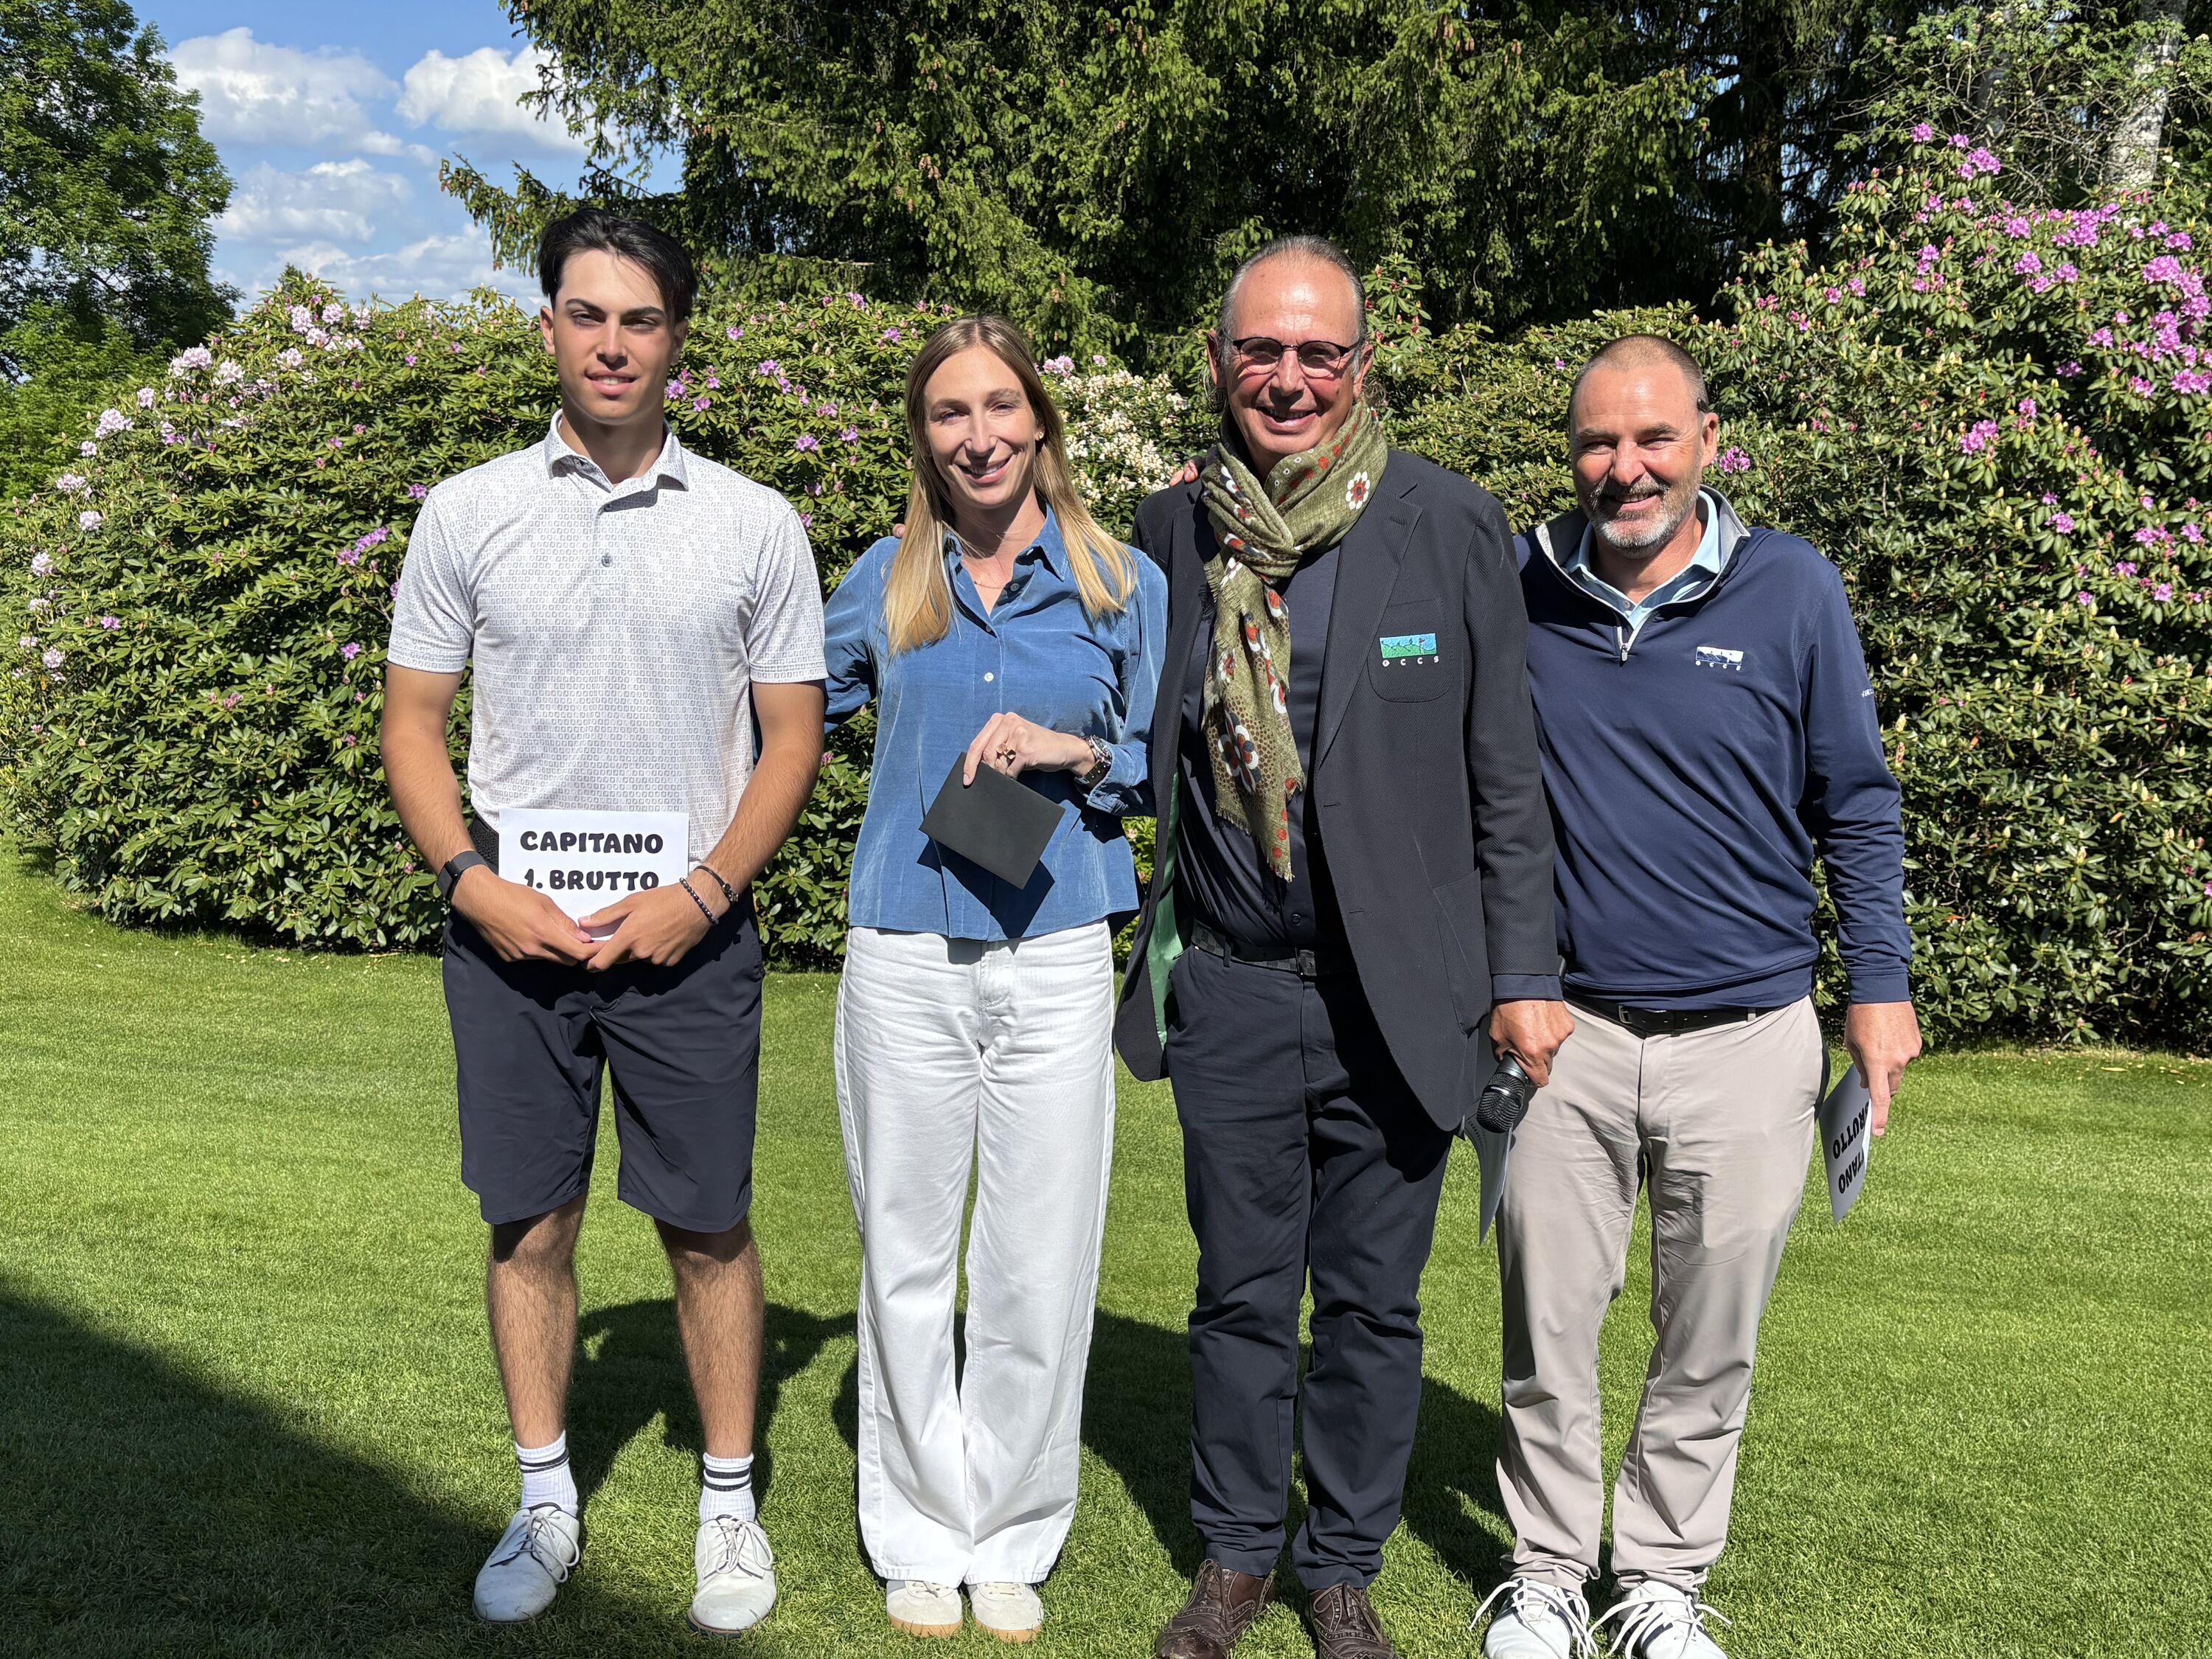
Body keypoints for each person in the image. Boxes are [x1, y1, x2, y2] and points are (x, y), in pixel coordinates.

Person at [1113, 236, 1571, 1659]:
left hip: (1402, 1000)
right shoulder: (1169, 529)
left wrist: (1525, 978)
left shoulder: (1451, 523)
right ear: (1219, 362)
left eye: (1319, 351)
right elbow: (1120, 727)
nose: (1290, 377)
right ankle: (1236, 1554)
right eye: (1262, 349)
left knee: (1373, 1303)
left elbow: (1506, 776)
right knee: (1240, 1295)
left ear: (1363, 363)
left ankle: (1344, 1564)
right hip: (1233, 991)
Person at [380, 208, 827, 1635]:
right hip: (510, 934)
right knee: (529, 1223)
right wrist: (470, 882)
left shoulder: (755, 522)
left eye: (640, 319)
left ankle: (729, 1504)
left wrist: (704, 895)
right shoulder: (468, 512)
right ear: (548, 328)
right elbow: (413, 722)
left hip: (691, 935)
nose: (613, 343)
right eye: (588, 314)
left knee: (707, 1225)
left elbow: (793, 740)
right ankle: (544, 1500)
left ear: (678, 338)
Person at [1475, 335, 1920, 1659]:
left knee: (1711, 1330)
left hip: (1751, 1033)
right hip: (1564, 1032)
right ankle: (1548, 1572)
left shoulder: (1793, 586)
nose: (1626, 467)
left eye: (1654, 438)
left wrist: (1879, 985)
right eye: (1598, 442)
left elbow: (1856, 800)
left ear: (1708, 441)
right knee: (1548, 1322)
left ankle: (1660, 1578)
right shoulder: (1517, 586)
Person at [821, 314, 1166, 1644]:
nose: (978, 436)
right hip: (904, 950)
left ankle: (1011, 1533)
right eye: (950, 413)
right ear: (924, 436)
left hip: (1060, 947)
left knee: (1037, 1256)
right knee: (905, 1252)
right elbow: (783, 712)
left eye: (1000, 407)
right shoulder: (885, 577)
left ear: (1040, 421)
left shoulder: (1118, 581)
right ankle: (920, 1531)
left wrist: (1076, 753)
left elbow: (1166, 759)